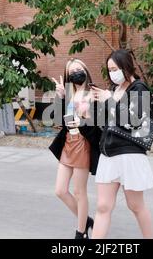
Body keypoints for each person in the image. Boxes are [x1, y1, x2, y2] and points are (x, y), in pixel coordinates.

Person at [91, 49, 153, 239]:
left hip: (129, 153)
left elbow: (134, 121)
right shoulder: (111, 91)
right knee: (103, 206)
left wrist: (109, 101)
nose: (112, 73)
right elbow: (105, 123)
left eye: (115, 68)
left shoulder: (139, 88)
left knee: (135, 206)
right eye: (109, 69)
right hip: (108, 154)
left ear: (126, 66)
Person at [48, 58, 102, 239]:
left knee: (80, 192)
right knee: (60, 190)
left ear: (86, 70)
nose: (76, 72)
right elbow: (56, 120)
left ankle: (81, 232)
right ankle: (86, 220)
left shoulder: (94, 94)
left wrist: (85, 118)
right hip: (68, 144)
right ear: (68, 76)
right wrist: (60, 97)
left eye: (79, 68)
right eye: (72, 71)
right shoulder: (69, 95)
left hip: (83, 144)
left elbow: (98, 127)